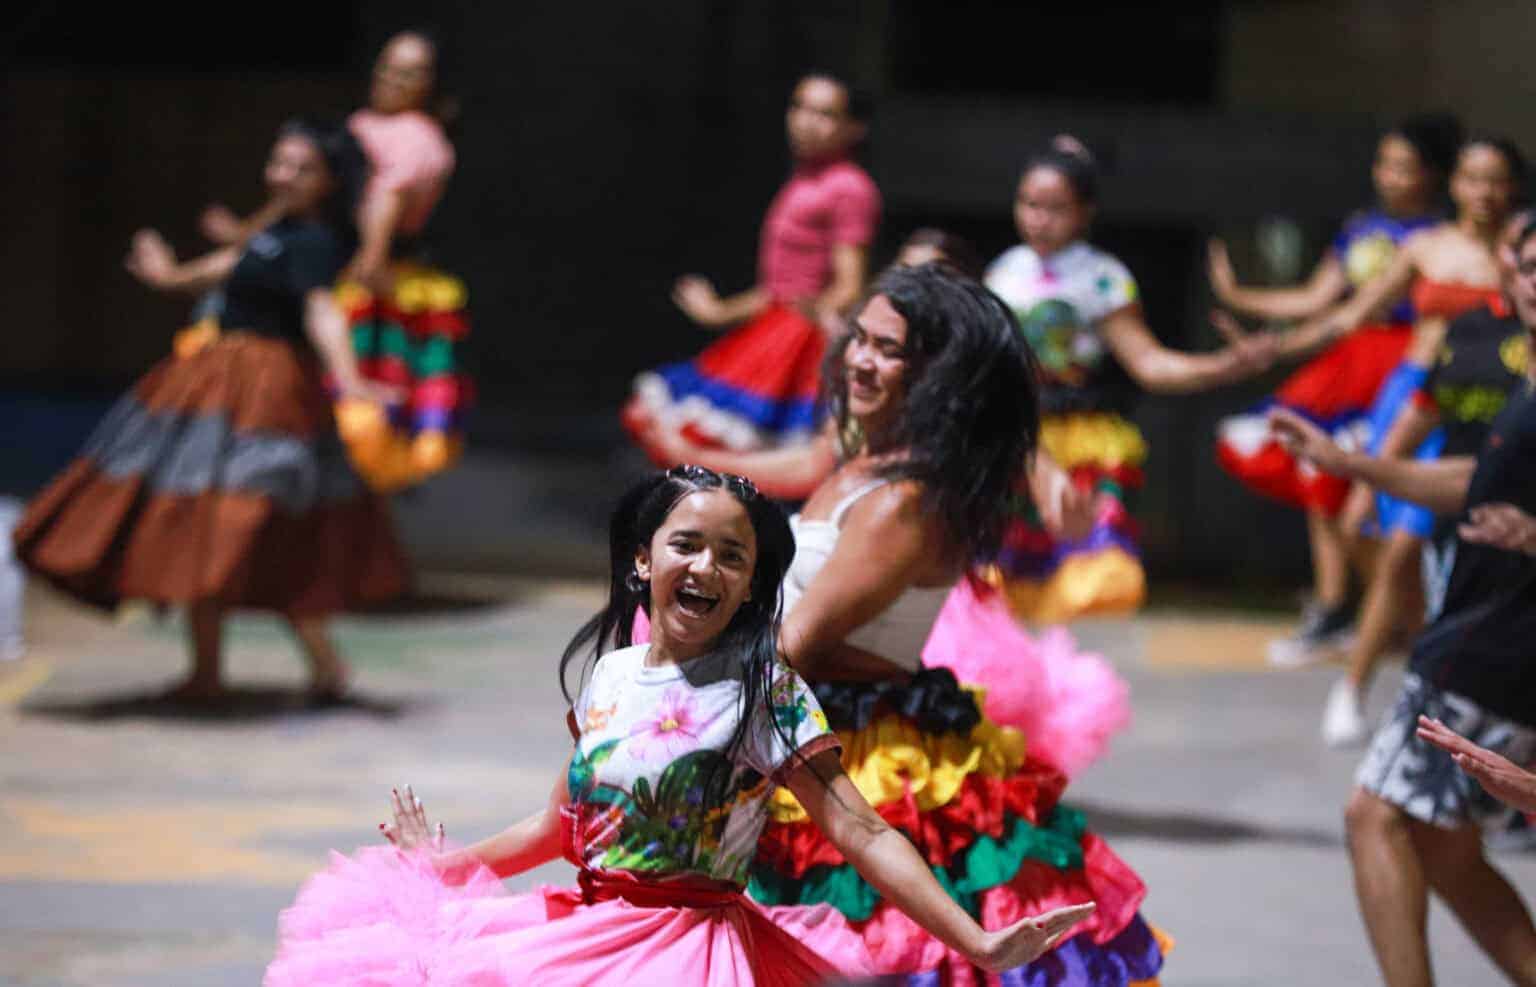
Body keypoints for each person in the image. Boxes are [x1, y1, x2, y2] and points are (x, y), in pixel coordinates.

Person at [265, 466, 1095, 985]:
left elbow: (860, 827)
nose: (707, 566)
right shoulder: (613, 674)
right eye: (688, 545)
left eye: (732, 557)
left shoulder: (764, 687)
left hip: (688, 953)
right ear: (644, 559)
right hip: (579, 934)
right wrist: (439, 869)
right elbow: (560, 825)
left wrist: (977, 941)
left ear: (747, 587)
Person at [645, 265, 1163, 983]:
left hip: (849, 754)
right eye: (859, 338)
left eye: (889, 350)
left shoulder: (905, 501)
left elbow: (795, 645)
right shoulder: (867, 461)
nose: (860, 358)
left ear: (940, 376)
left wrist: (662, 685)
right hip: (800, 720)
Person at [13, 120, 406, 703]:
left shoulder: (316, 244)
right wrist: (167, 274)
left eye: (302, 168)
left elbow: (322, 310)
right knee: (198, 525)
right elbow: (226, 268)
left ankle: (325, 667)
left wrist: (351, 380)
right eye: (280, 162)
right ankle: (207, 674)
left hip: (269, 396)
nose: (284, 175)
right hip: (214, 386)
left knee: (254, 527)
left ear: (328, 182)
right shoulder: (275, 231)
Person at [1267, 214, 1536, 986]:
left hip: (1498, 648)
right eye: (1525, 263)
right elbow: (1469, 480)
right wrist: (1348, 463)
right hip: (1477, 631)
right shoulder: (1519, 379)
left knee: (1373, 816)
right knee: (1446, 850)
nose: (1532, 278)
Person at [1274, 137, 1524, 746]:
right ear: (1454, 184)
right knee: (1386, 541)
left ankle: (1390, 679)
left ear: (1513, 187)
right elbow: (1346, 314)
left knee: (1428, 550)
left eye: (1496, 180)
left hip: (1489, 406)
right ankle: (1385, 675)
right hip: (1417, 395)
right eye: (1471, 178)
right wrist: (1265, 347)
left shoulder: (1523, 253)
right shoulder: (1426, 245)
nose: (1483, 193)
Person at [984, 136, 1275, 623]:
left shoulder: (1103, 278)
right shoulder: (1003, 272)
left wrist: (1225, 366)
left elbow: (1148, 364)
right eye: (1029, 204)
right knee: (1000, 584)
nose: (1038, 218)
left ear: (1085, 213)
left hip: (1081, 441)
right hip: (1013, 439)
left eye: (1055, 207)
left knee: (1085, 580)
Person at [1210, 115, 1456, 666]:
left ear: (1434, 175)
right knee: (1321, 477)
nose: (1391, 176)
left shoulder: (1442, 239)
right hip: (1351, 360)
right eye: (1384, 164)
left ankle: (1390, 615)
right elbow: (1321, 302)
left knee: (1385, 496)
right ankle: (1335, 604)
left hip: (1406, 363)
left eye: (1405, 167)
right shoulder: (1361, 227)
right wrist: (1241, 297)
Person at [204, 31, 466, 493]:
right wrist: (247, 233)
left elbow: (387, 196)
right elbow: (307, 190)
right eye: (387, 66)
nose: (393, 79)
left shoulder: (417, 139)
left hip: (363, 280)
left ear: (431, 83)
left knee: (347, 413)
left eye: (410, 72)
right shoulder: (362, 124)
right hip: (328, 266)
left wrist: (370, 255)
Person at [624, 73, 880, 459]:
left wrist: (818, 326)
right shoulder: (804, 178)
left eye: (825, 113)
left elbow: (849, 286)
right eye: (799, 107)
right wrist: (719, 312)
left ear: (854, 128)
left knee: (721, 449)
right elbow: (779, 289)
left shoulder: (849, 187)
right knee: (675, 432)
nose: (806, 121)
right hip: (775, 326)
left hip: (799, 342)